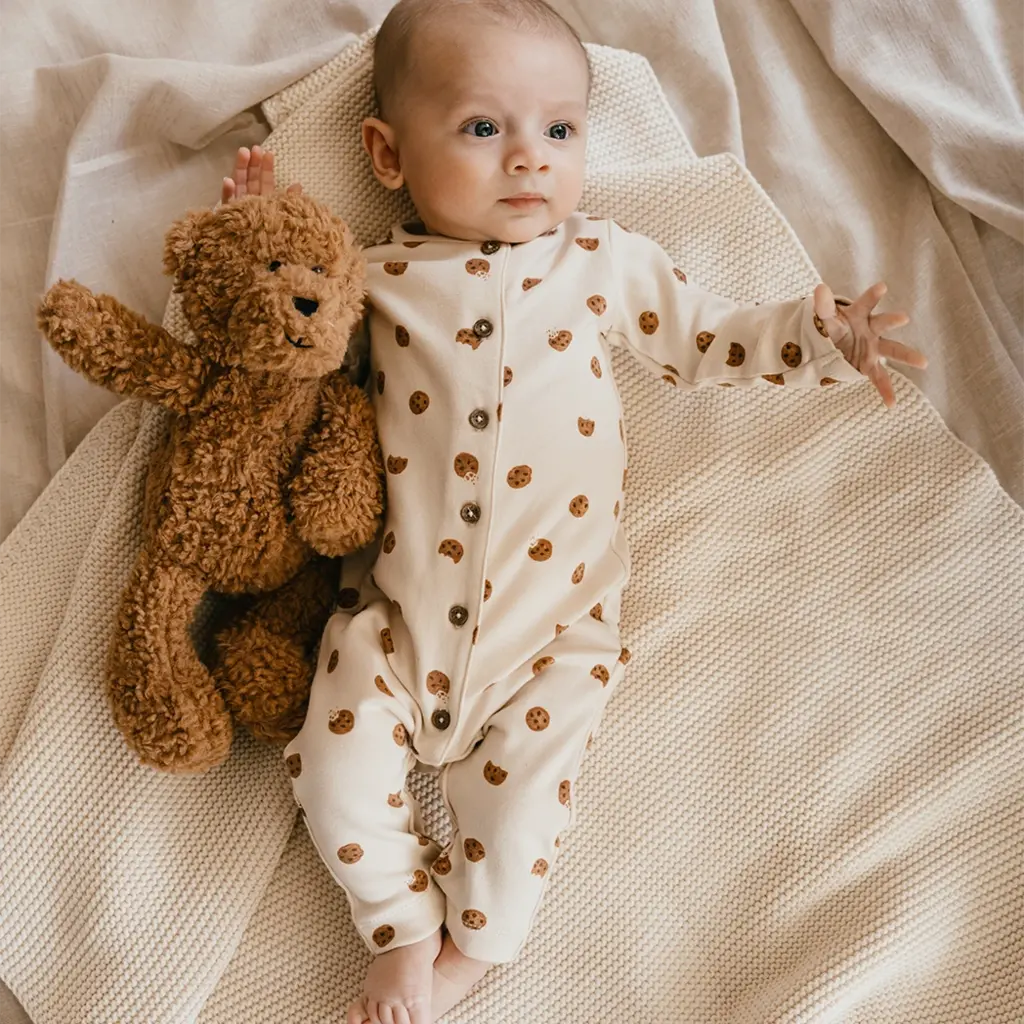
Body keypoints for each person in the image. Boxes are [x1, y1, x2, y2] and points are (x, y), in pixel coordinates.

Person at [219, 1, 928, 1021]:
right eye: (482, 128)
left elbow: (706, 337)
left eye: (559, 131)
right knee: (331, 763)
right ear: (386, 154)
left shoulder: (600, 259)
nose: (527, 160)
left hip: (554, 638)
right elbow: (287, 346)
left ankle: (471, 953)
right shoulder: (373, 281)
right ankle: (400, 922)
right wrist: (260, 240)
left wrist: (816, 338)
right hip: (392, 621)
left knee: (518, 824)